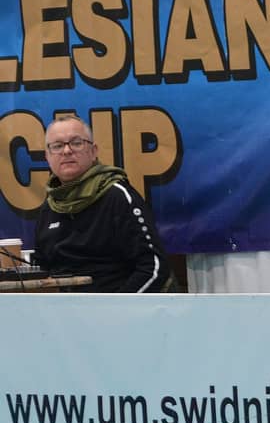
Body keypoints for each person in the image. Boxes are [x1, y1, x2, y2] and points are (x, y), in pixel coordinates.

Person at [35, 115, 174, 293]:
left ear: (94, 151)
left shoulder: (117, 197)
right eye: (57, 146)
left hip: (115, 303)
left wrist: (116, 307)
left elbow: (154, 267)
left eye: (76, 143)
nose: (67, 151)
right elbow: (41, 270)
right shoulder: (49, 207)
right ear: (47, 156)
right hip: (61, 307)